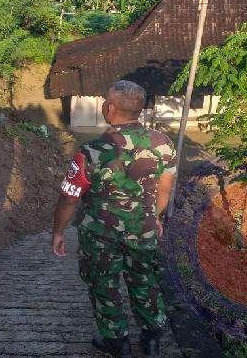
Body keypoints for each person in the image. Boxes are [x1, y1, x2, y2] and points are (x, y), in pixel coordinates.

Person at [52, 80, 177, 358]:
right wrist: (154, 217)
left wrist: (58, 231)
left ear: (109, 108)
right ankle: (152, 340)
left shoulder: (91, 151)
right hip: (143, 230)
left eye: (104, 102)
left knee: (104, 285)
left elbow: (70, 198)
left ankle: (117, 343)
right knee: (144, 280)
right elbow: (164, 190)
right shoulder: (163, 144)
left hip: (100, 234)